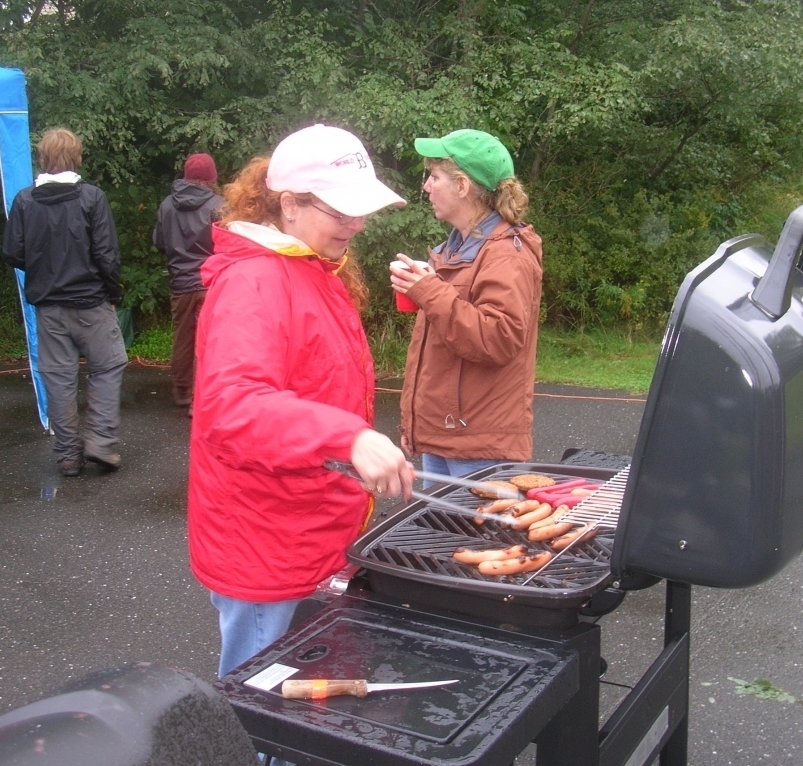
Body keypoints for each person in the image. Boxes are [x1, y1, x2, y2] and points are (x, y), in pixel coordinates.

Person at [188, 124, 414, 683]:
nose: (357, 225)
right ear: (288, 204)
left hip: (307, 527)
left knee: (304, 697)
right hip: (266, 543)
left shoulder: (308, 267)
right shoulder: (256, 282)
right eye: (341, 211)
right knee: (268, 705)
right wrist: (350, 439)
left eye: (361, 211)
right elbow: (235, 406)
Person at [392, 129, 543, 482]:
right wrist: (416, 426)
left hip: (480, 450)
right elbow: (447, 347)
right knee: (441, 537)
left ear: (462, 187)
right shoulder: (456, 247)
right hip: (444, 439)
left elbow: (498, 338)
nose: (426, 187)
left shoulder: (507, 252)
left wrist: (429, 290)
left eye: (435, 177)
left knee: (477, 539)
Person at [2, 127, 127, 477]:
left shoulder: (25, 201)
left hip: (49, 307)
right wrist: (113, 292)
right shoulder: (91, 197)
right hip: (91, 303)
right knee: (109, 365)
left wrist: (42, 269)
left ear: (42, 157)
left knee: (58, 378)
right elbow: (106, 253)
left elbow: (12, 251)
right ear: (76, 156)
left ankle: (69, 455)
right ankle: (100, 442)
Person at [152, 152, 224, 411]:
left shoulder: (167, 205)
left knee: (183, 337)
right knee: (208, 340)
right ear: (211, 177)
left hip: (180, 282)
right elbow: (227, 243)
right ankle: (201, 399)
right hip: (211, 281)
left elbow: (159, 242)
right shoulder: (219, 205)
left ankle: (183, 392)